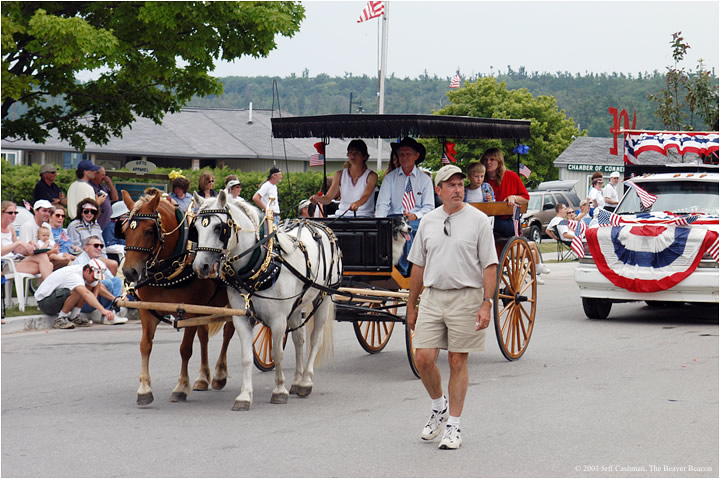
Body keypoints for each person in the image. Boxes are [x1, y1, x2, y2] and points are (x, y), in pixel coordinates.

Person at [407, 165, 498, 450]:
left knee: (458, 361)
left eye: (460, 185)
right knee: (423, 358)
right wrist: (412, 305)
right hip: (433, 296)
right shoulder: (428, 222)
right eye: (451, 186)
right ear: (439, 191)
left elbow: (490, 265)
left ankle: (454, 427)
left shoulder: (479, 220)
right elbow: (418, 266)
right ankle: (439, 406)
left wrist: (487, 303)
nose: (458, 190)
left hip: (466, 297)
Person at [481, 148, 550, 282]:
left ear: (499, 161)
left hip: (506, 223)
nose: (488, 162)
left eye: (492, 159)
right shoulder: (481, 179)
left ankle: (532, 256)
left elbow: (525, 197)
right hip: (487, 222)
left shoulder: (511, 177)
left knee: (492, 224)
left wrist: (514, 197)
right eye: (485, 160)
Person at [375, 137, 435, 276]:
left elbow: (429, 207)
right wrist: (379, 222)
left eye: (408, 154)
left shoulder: (424, 179)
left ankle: (405, 272)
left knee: (407, 230)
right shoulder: (391, 178)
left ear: (416, 156)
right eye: (401, 154)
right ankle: (387, 270)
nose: (404, 157)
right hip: (394, 217)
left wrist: (416, 215)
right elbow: (383, 203)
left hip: (416, 218)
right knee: (386, 229)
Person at [34, 259, 118, 329]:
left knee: (86, 287)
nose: (95, 280)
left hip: (56, 298)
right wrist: (103, 310)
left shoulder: (85, 274)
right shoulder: (75, 276)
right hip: (45, 301)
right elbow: (86, 294)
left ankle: (74, 317)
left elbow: (97, 284)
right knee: (78, 291)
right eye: (94, 277)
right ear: (88, 270)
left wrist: (110, 298)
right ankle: (60, 319)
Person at [310, 139, 378, 217]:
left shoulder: (372, 176)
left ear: (364, 156)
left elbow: (365, 196)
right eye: (350, 153)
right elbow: (328, 198)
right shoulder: (339, 174)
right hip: (341, 216)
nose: (352, 156)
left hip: (364, 216)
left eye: (357, 153)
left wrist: (357, 204)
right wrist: (317, 198)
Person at [72, 236, 127, 324]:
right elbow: (91, 285)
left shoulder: (98, 262)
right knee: (107, 283)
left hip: (96, 298)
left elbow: (113, 279)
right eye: (96, 245)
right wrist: (115, 298)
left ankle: (111, 313)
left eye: (101, 246)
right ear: (86, 247)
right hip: (83, 302)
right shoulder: (81, 262)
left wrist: (122, 295)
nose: (99, 248)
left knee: (116, 280)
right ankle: (109, 314)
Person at [1, 201, 53, 282]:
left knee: (47, 263)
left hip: (16, 260)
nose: (14, 215)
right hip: (5, 264)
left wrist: (29, 244)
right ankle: (48, 292)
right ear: (1, 212)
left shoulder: (11, 228)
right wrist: (18, 243)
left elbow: (18, 251)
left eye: (15, 212)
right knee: (47, 265)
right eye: (10, 213)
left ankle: (46, 292)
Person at [67, 199, 115, 271]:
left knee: (112, 265)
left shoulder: (96, 226)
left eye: (92, 211)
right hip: (82, 258)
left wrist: (105, 259)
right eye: (86, 211)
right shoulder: (74, 225)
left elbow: (102, 246)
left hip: (97, 257)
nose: (89, 214)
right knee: (112, 264)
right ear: (81, 212)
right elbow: (75, 248)